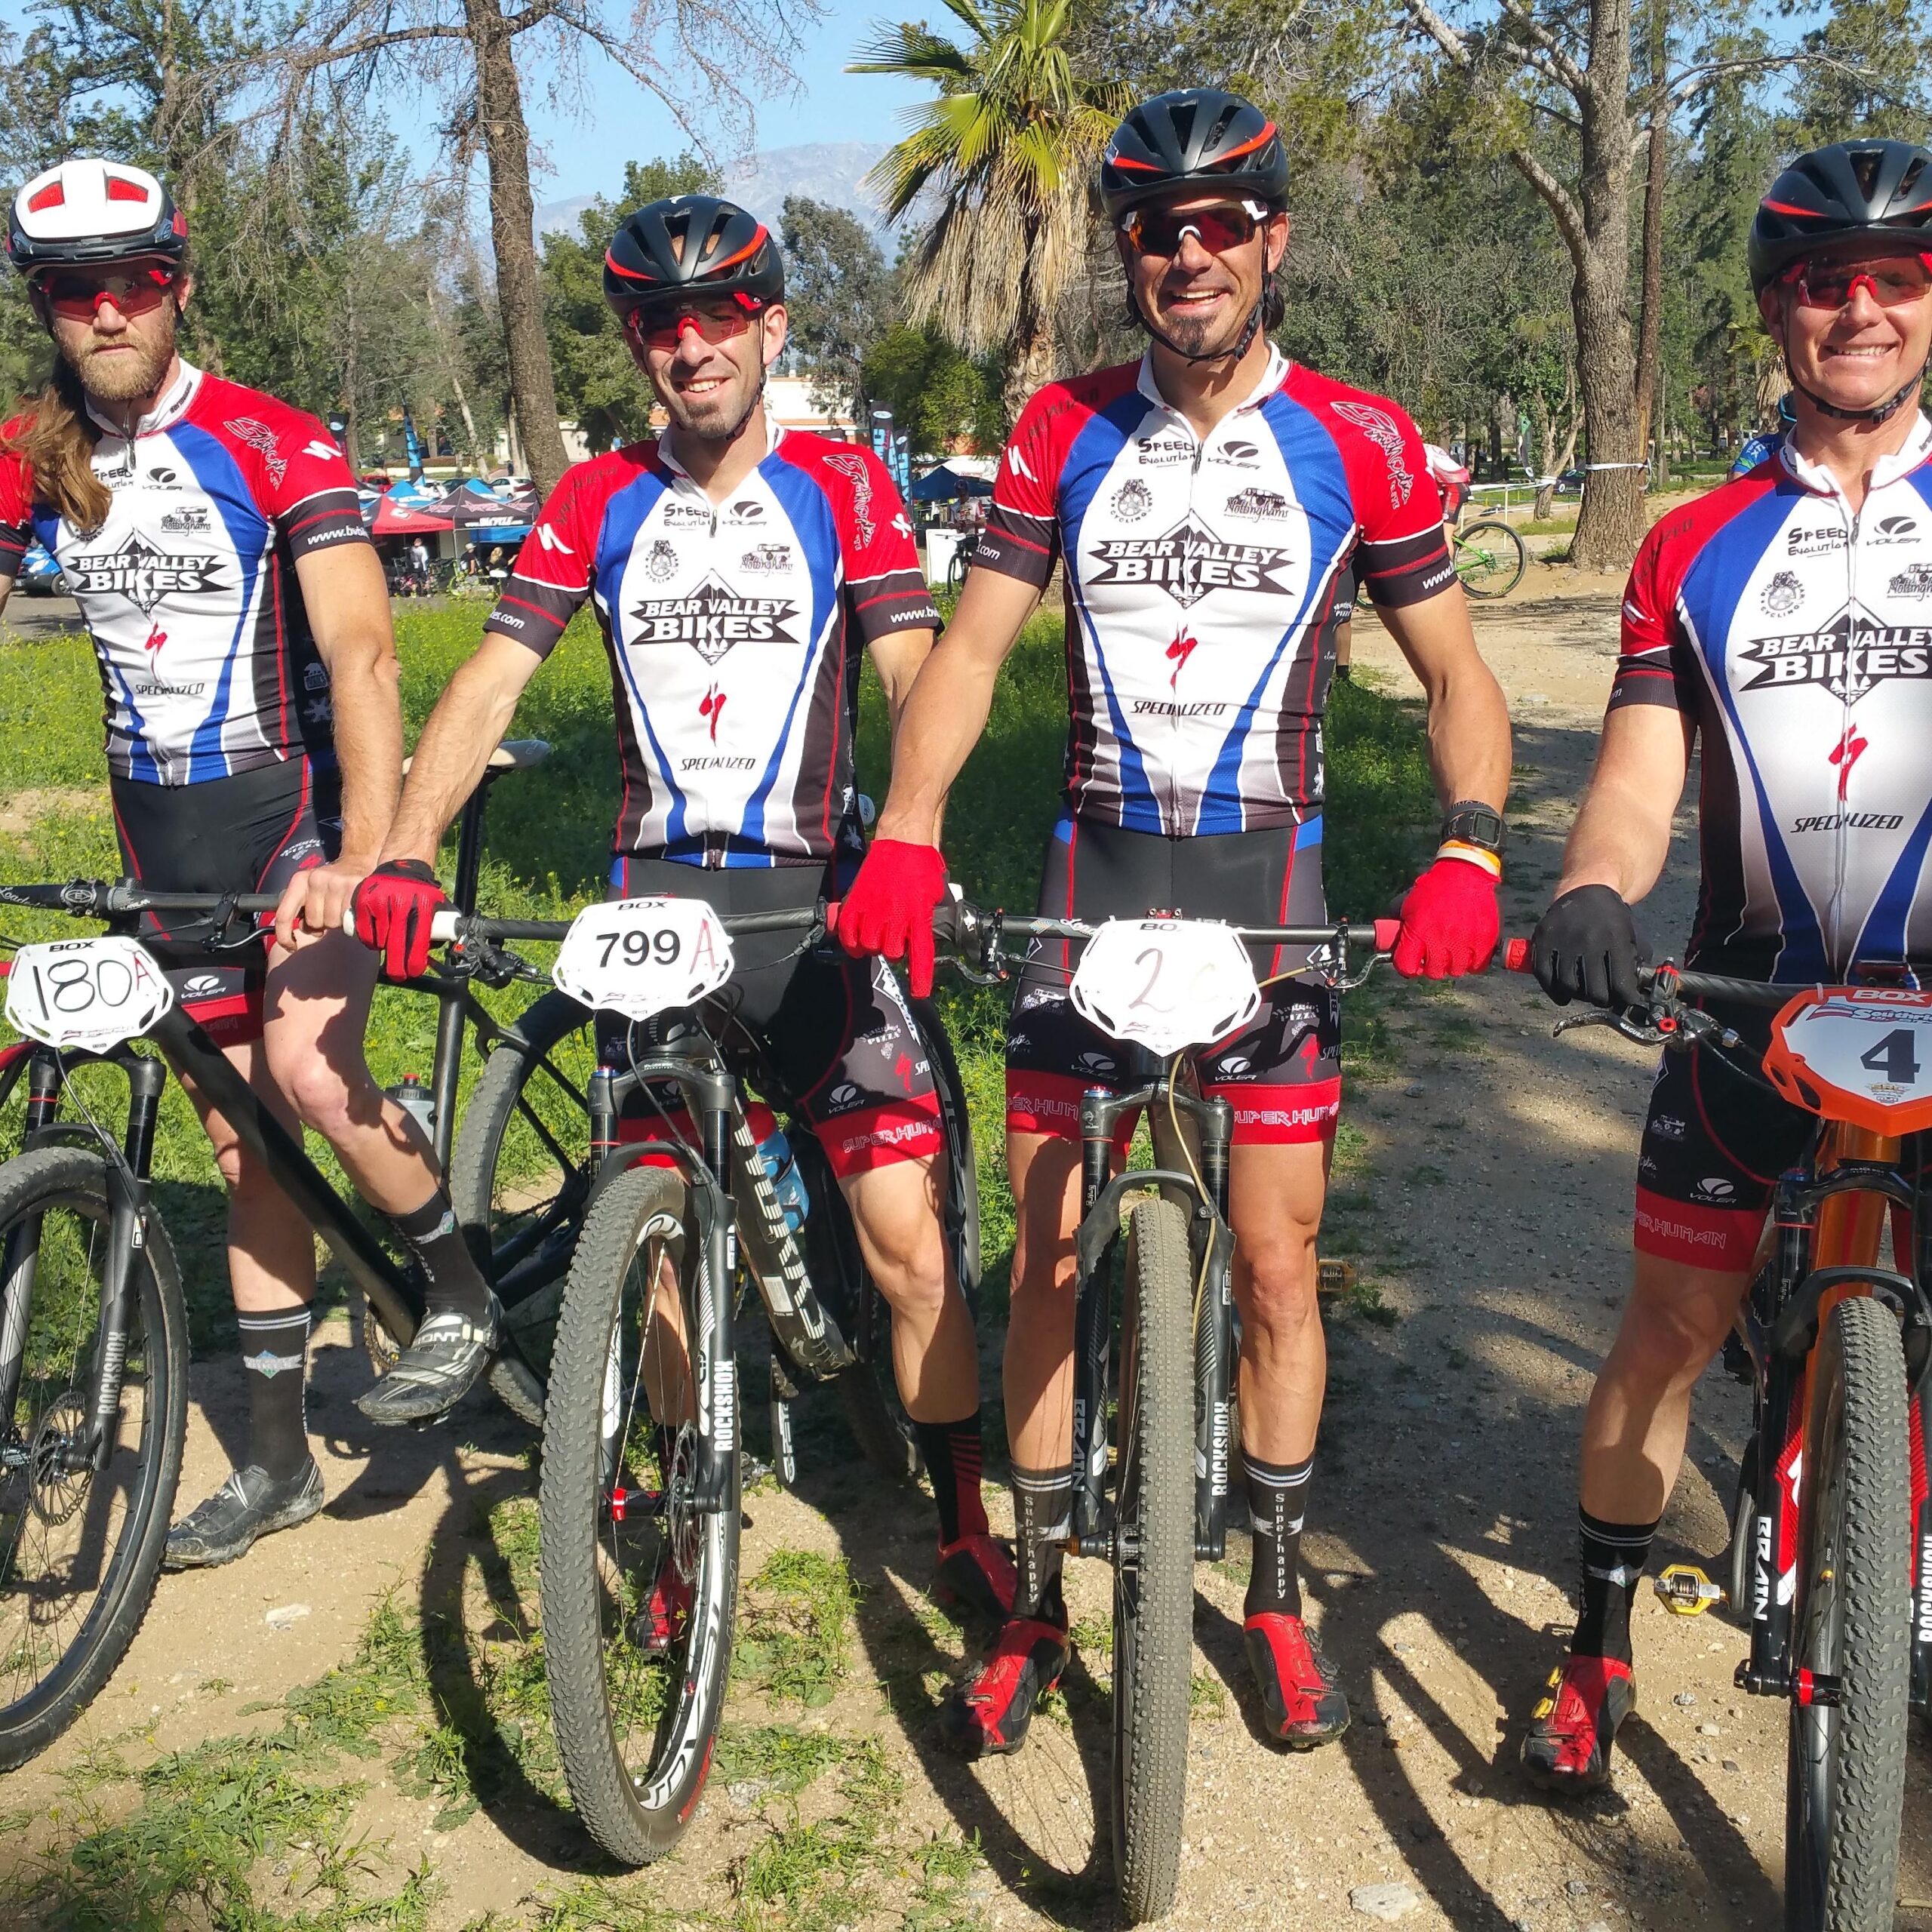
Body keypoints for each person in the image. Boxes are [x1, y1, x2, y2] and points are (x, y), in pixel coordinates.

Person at [836, 89, 1512, 1758]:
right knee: (1047, 1259)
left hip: (1266, 886)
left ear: (1273, 241)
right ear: (1125, 254)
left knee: (1277, 1264)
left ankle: (1273, 1591)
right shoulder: (1060, 430)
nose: (1188, 254)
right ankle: (1041, 1601)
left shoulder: (1358, 436)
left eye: (1221, 224)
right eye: (1156, 228)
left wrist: (1473, 846)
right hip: (1093, 881)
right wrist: (908, 831)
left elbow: (1456, 674)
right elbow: (977, 651)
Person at [351, 195, 1015, 1620]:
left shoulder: (844, 486)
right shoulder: (594, 501)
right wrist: (405, 848)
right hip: (653, 910)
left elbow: (917, 675)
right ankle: (673, 1502)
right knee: (646, 1237)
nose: (693, 344)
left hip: (817, 909)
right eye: (663, 323)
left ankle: (960, 1511)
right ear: (638, 347)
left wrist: (914, 840)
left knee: (904, 1236)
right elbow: (487, 687)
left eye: (722, 315)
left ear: (772, 326)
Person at [0, 159, 501, 1567]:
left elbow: (361, 649)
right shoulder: (31, 459)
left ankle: (457, 1289)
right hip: (156, 834)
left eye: (132, 282)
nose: (106, 311)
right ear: (46, 307)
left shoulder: (273, 441)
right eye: (72, 290)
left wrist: (363, 852)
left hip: (291, 822)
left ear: (178, 285)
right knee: (240, 1147)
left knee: (308, 1075)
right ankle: (277, 1465)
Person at [1521, 137, 1932, 1792]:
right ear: (1773, 308)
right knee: (1669, 1324)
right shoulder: (1688, 541)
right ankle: (1595, 1636)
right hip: (1748, 1002)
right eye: (1823, 280)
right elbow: (1636, 765)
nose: (1858, 307)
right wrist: (1593, 889)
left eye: (1892, 276)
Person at [1730, 391, 1797, 479]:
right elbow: (1738, 483)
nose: (1795, 439)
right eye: (1789, 431)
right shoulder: (1760, 447)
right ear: (1780, 425)